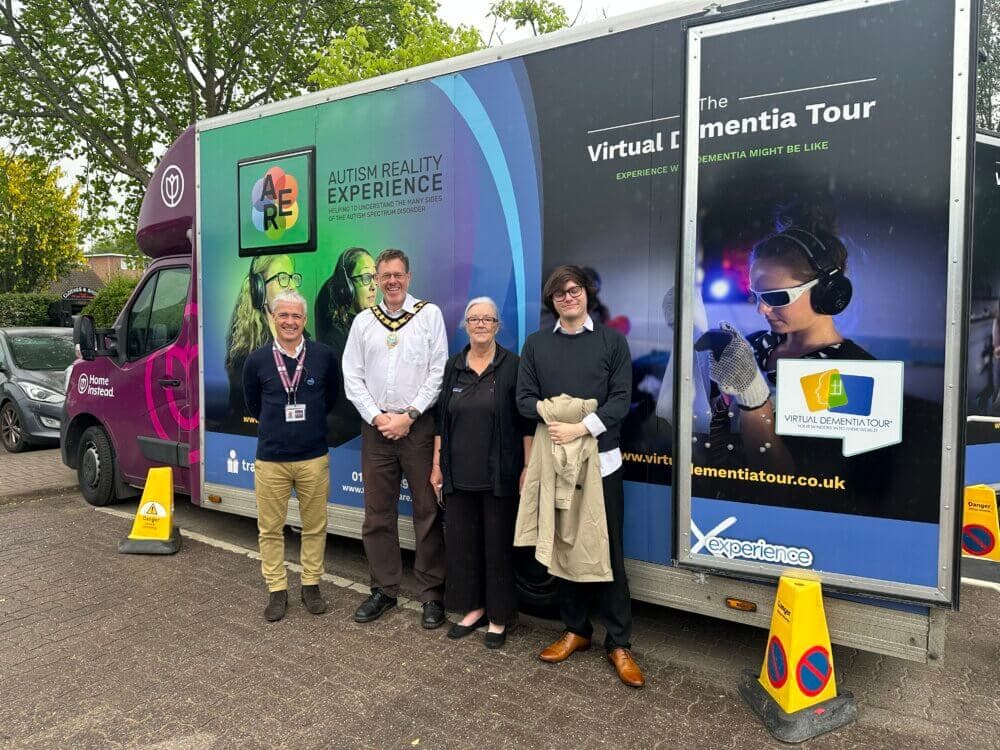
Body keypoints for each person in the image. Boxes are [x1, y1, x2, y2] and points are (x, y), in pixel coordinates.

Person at [517, 264, 644, 688]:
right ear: (551, 301)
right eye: (559, 293)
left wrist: (578, 426)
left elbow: (621, 401)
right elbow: (524, 401)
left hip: (602, 462)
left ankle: (619, 643)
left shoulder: (612, 342)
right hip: (554, 463)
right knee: (562, 545)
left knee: (607, 550)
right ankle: (576, 631)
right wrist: (570, 416)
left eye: (574, 291)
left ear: (587, 294)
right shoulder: (536, 345)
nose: (568, 298)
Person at [695, 220, 873, 468]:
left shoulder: (852, 373)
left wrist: (755, 400)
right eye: (756, 296)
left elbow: (793, 485)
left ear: (826, 292)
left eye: (777, 297)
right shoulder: (756, 344)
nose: (762, 309)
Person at [342, 248, 449, 628]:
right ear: (376, 280)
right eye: (384, 276)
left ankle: (432, 595)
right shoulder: (363, 323)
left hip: (417, 428)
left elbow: (438, 373)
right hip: (376, 429)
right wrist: (378, 417)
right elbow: (351, 376)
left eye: (397, 275)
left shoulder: (428, 316)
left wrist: (409, 416)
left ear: (409, 276)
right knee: (377, 514)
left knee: (427, 512)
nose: (391, 282)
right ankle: (384, 590)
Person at [429, 297, 532, 649]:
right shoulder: (453, 366)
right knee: (462, 547)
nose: (481, 324)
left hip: (499, 474)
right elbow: (442, 419)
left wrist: (527, 467)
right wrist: (436, 465)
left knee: (497, 548)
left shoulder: (512, 366)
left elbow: (526, 423)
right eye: (474, 319)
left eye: (488, 319)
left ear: (498, 326)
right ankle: (472, 609)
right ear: (466, 326)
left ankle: (499, 618)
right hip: (458, 474)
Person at [242, 289, 339, 622]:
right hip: (271, 459)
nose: (289, 321)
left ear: (305, 320)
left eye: (296, 315)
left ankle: (310, 584)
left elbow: (331, 399)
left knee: (315, 526)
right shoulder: (256, 360)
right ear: (272, 317)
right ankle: (277, 589)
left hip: (313, 457)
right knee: (270, 529)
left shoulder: (324, 356)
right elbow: (253, 404)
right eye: (283, 315)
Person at [226, 254, 301, 423]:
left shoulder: (305, 340)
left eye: (292, 277)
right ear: (259, 288)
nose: (292, 285)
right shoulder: (247, 355)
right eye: (282, 277)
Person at [315, 247, 379, 446]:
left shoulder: (380, 328)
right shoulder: (334, 341)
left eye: (375, 277)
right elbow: (345, 401)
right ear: (347, 287)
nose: (373, 286)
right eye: (365, 278)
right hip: (351, 436)